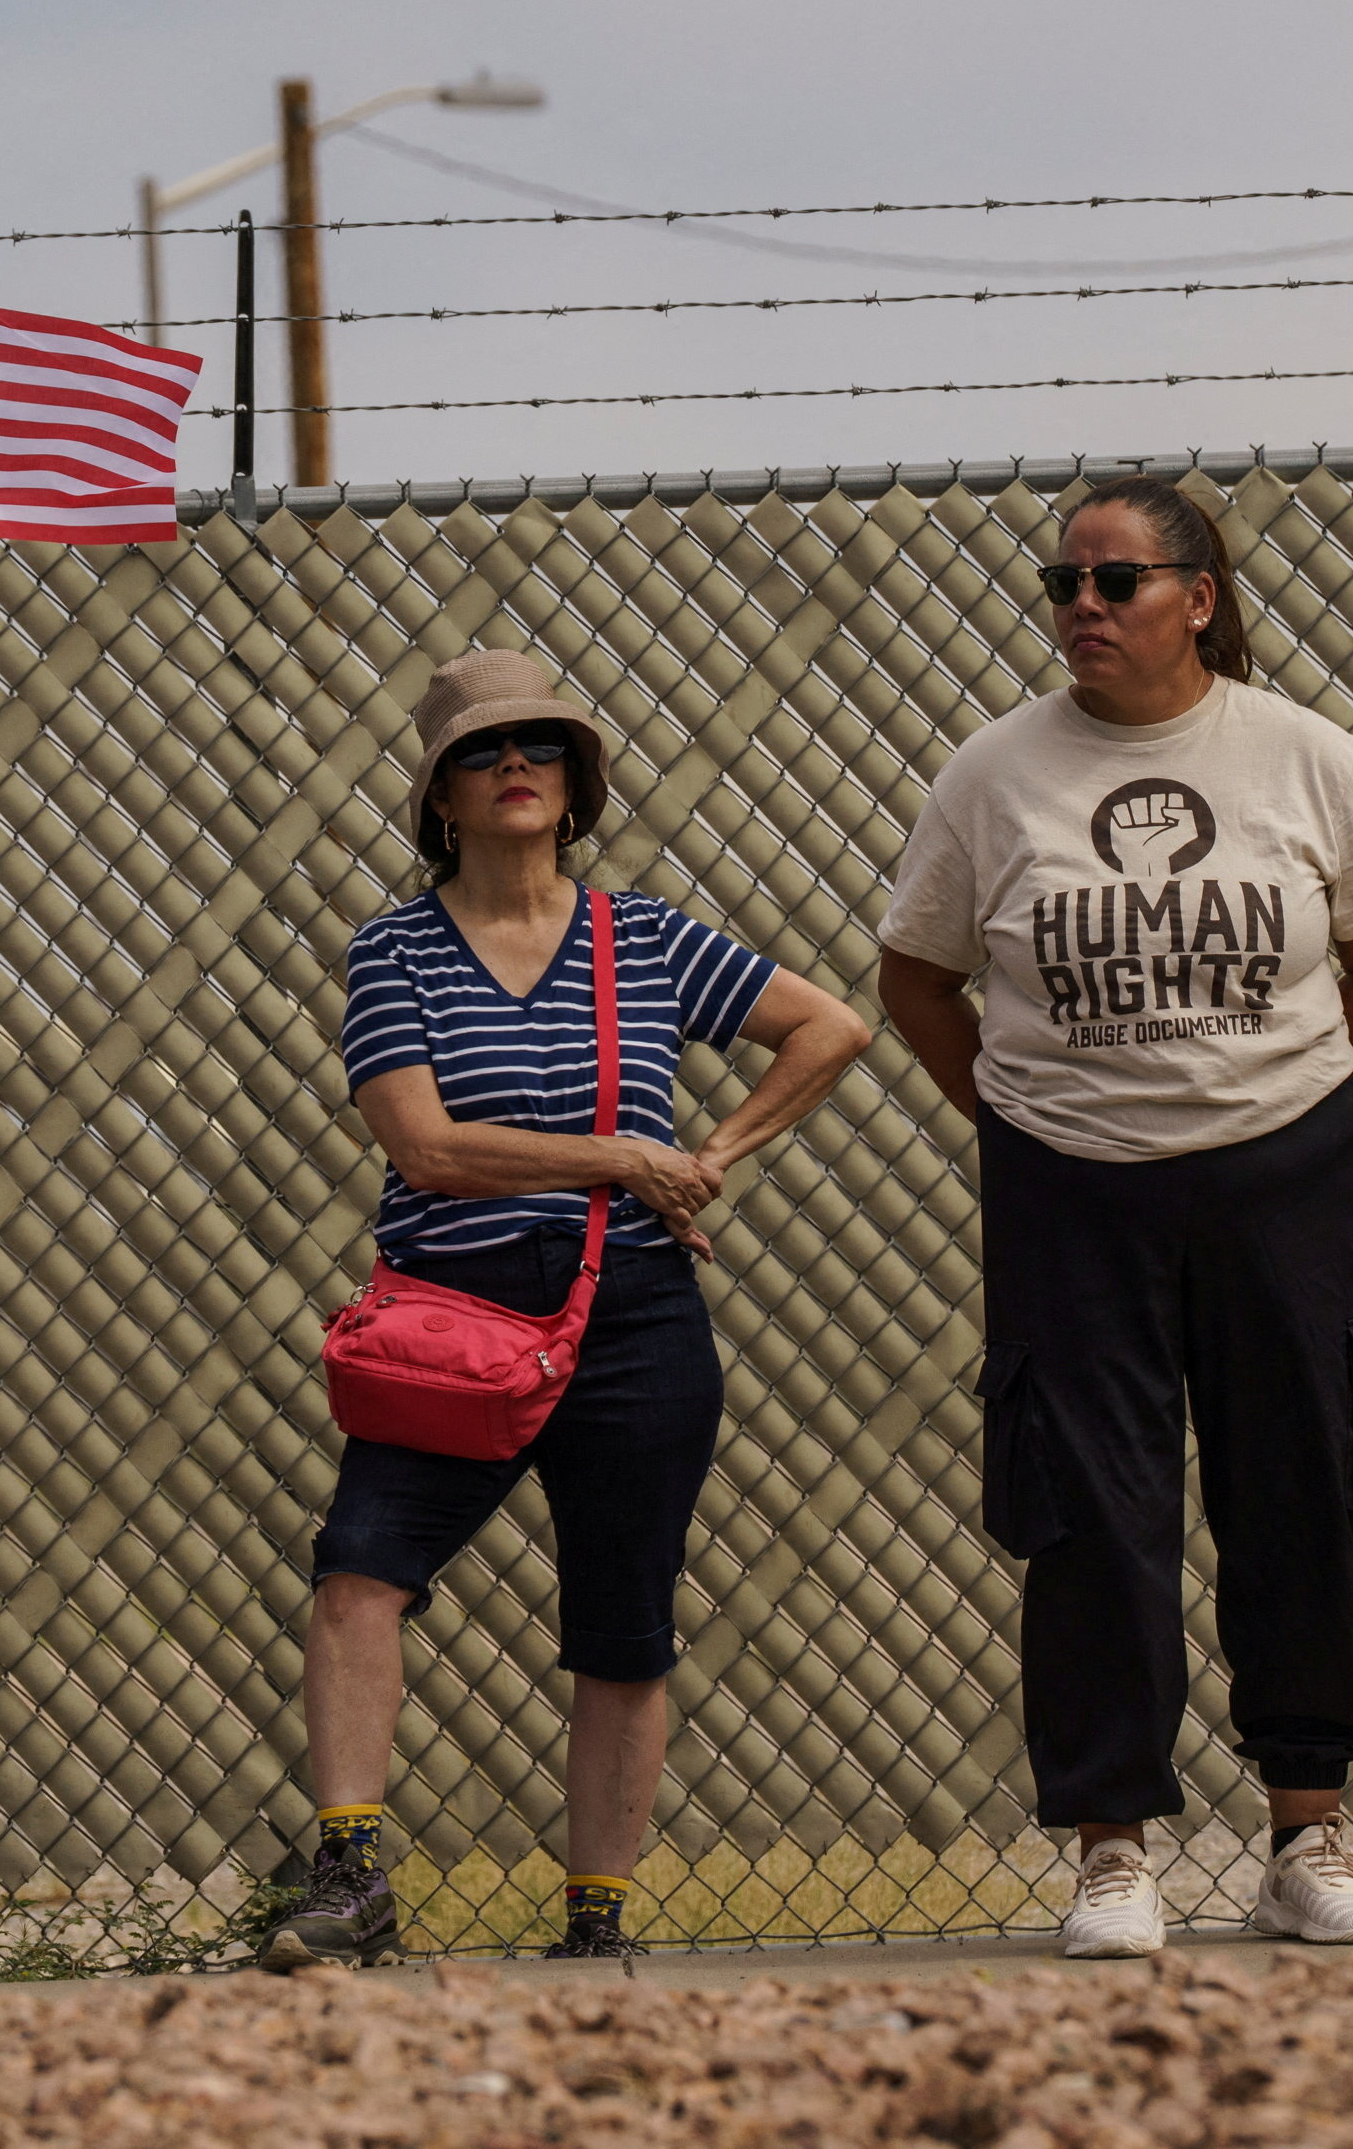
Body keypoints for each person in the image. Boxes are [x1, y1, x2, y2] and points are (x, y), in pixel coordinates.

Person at [877, 474, 1353, 1961]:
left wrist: (1288, 1092)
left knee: (1298, 1482)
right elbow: (917, 977)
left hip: (1284, 1178)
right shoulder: (995, 774)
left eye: (1115, 582)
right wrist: (1017, 1115)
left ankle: (1307, 1833)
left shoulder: (1302, 753)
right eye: (1062, 582)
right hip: (1070, 1188)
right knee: (1089, 1509)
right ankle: (1111, 1850)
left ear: (1199, 596)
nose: (1081, 607)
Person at [266, 649, 869, 1969]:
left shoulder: (643, 937)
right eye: (482, 752)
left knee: (624, 1620)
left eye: (542, 745)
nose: (516, 767)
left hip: (634, 1313)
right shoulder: (394, 954)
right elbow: (424, 1146)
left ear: (581, 778)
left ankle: (598, 1923)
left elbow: (829, 1028)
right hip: (453, 1307)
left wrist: (717, 1152)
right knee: (359, 1571)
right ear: (440, 795)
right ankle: (351, 1873)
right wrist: (625, 1157)